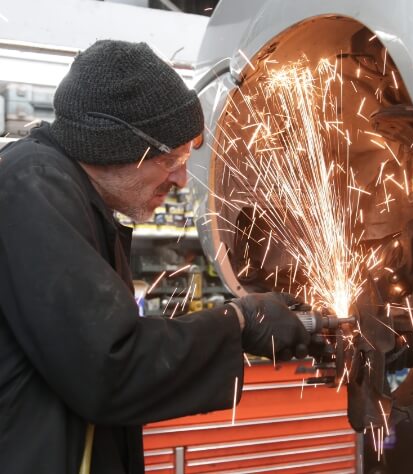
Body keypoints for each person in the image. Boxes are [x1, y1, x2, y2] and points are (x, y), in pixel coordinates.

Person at [0, 40, 310, 473]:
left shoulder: (71, 196)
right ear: (113, 145)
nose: (182, 179)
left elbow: (103, 342)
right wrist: (237, 323)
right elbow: (109, 368)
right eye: (171, 159)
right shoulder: (33, 186)